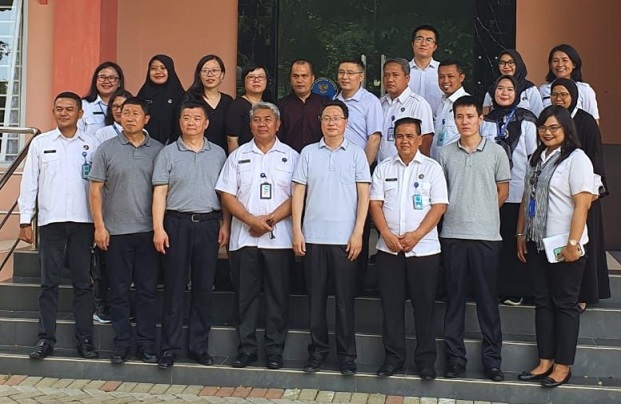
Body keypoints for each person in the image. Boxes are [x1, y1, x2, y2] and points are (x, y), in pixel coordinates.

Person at [516, 105, 595, 388]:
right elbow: (527, 197)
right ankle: (545, 361)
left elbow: (582, 204)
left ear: (565, 129)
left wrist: (573, 243)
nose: (547, 133)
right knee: (543, 303)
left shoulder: (576, 159)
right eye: (542, 127)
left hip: (564, 246)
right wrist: (520, 233)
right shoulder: (537, 157)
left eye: (553, 128)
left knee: (565, 305)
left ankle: (563, 366)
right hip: (537, 242)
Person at [216, 102, 299, 370]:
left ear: (278, 124)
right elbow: (227, 194)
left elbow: (298, 195)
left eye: (267, 119)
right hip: (244, 239)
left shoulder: (292, 156)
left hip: (280, 239)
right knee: (245, 297)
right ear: (250, 125)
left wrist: (269, 220)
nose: (262, 124)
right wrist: (251, 220)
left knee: (278, 297)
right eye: (256, 120)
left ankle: (274, 351)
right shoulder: (237, 156)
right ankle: (246, 349)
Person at [18, 91, 99, 360]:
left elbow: (100, 186)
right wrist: (25, 219)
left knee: (83, 284)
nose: (63, 113)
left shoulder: (92, 144)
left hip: (84, 222)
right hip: (51, 222)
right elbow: (29, 182)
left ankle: (85, 340)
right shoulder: (41, 143)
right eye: (59, 109)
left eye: (69, 109)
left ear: (80, 113)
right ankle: (45, 339)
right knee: (48, 283)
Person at [292, 100, 371, 375]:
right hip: (313, 237)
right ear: (320, 122)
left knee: (344, 301)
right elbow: (298, 193)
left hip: (345, 240)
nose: (331, 122)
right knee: (316, 301)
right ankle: (317, 352)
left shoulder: (357, 154)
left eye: (337, 118)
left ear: (346, 123)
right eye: (326, 118)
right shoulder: (308, 153)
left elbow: (364, 196)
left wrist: (358, 232)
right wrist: (297, 230)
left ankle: (347, 356)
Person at [437, 95, 510, 382]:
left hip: (486, 236)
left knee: (487, 301)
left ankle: (492, 361)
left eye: (470, 116)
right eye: (459, 116)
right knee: (454, 299)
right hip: (452, 235)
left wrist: (484, 211)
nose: (464, 122)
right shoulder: (444, 153)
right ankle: (455, 359)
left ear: (481, 118)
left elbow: (503, 190)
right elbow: (440, 194)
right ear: (454, 119)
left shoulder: (496, 152)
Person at [152, 101, 229, 369]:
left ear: (206, 123)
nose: (191, 122)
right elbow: (160, 193)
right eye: (186, 118)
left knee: (203, 288)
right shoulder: (167, 153)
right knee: (174, 288)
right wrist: (158, 228)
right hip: (176, 224)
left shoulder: (218, 153)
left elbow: (225, 194)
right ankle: (169, 348)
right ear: (180, 122)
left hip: (208, 224)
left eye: (197, 118)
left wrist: (225, 224)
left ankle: (199, 347)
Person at [370, 117, 448, 380]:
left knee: (424, 308)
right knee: (391, 307)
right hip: (389, 249)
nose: (404, 141)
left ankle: (425, 362)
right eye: (400, 136)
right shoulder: (383, 168)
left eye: (410, 136)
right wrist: (385, 234)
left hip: (423, 250)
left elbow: (439, 206)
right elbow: (375, 204)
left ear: (419, 139)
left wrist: (416, 235)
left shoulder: (432, 168)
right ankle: (393, 358)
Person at [89, 97, 163, 364]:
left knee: (147, 291)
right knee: (118, 291)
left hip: (148, 232)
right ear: (118, 117)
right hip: (115, 232)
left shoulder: (159, 150)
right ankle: (121, 344)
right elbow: (95, 190)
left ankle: (146, 344)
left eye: (136, 113)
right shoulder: (106, 149)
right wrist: (99, 226)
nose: (129, 117)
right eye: (125, 113)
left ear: (146, 119)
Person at [550, 78, 610, 309]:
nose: (559, 99)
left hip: (584, 193)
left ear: (574, 96)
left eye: (564, 94)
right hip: (557, 195)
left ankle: (583, 295)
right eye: (555, 94)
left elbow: (596, 158)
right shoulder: (550, 119)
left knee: (583, 243)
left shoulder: (585, 121)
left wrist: (593, 192)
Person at [480, 75, 538, 306]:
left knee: (514, 242)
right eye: (500, 88)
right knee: (493, 244)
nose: (504, 93)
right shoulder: (484, 120)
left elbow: (534, 157)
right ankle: (494, 287)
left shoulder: (527, 120)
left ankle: (515, 289)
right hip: (488, 193)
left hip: (517, 192)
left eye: (509, 89)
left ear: (517, 93)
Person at [379, 58, 433, 162]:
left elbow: (426, 139)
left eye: (395, 75)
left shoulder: (418, 104)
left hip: (408, 166)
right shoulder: (380, 103)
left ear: (407, 78)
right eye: (386, 75)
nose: (390, 79)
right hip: (383, 166)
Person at [335, 58, 382, 165]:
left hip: (358, 164)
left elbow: (374, 138)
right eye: (341, 72)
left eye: (350, 73)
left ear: (361, 77)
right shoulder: (334, 101)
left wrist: (363, 169)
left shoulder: (370, 101)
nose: (344, 77)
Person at [182, 54, 233, 151]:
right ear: (199, 75)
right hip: (196, 152)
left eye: (214, 70)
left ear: (222, 75)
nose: (210, 74)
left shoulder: (228, 101)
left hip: (223, 154)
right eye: (205, 71)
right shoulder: (190, 99)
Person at [276, 59, 327, 153]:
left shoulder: (325, 104)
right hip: (288, 157)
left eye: (304, 76)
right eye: (295, 76)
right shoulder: (279, 106)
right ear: (290, 79)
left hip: (319, 157)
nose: (299, 80)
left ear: (312, 79)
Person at [539, 44, 599, 123]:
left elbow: (593, 121)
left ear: (574, 64)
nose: (560, 64)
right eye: (555, 61)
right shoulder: (543, 90)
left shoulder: (585, 90)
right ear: (550, 65)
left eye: (564, 60)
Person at [137, 54, 185, 144]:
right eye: (153, 68)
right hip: (145, 144)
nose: (158, 72)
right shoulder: (143, 95)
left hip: (174, 145)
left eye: (163, 68)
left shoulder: (179, 95)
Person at [482, 49, 543, 117]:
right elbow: (485, 115)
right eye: (502, 63)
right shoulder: (492, 90)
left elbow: (538, 116)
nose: (506, 66)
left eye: (511, 62)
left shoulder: (529, 89)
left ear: (518, 64)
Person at [226, 64, 269, 153]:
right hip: (245, 156)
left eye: (260, 77)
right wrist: (237, 159)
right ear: (243, 81)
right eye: (251, 77)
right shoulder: (237, 106)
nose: (256, 80)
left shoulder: (268, 106)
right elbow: (232, 139)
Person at [431, 60, 469, 161]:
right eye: (441, 77)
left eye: (450, 76)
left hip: (457, 164)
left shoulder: (467, 104)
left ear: (461, 77)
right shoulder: (442, 103)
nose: (445, 81)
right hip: (437, 164)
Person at [80, 61, 125, 135]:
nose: (106, 81)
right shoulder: (84, 105)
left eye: (111, 78)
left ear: (119, 82)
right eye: (102, 77)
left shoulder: (129, 104)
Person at [408, 24, 444, 113]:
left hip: (437, 120)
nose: (423, 44)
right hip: (407, 120)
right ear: (412, 44)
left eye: (429, 40)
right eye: (419, 39)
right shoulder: (403, 70)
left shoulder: (443, 70)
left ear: (435, 47)